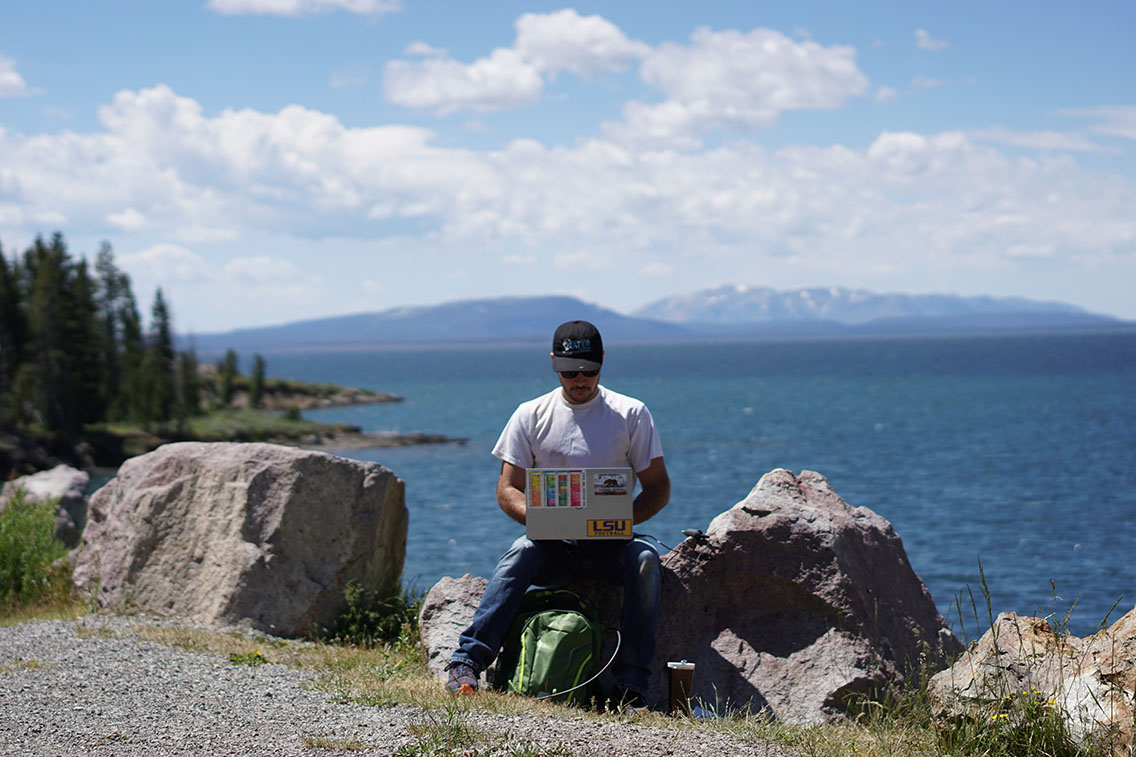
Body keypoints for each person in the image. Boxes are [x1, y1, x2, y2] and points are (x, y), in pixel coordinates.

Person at [445, 320, 671, 712]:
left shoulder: (631, 414)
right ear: (553, 364)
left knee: (646, 561)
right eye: (569, 371)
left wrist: (621, 521)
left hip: (610, 545)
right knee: (519, 552)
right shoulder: (530, 414)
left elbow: (658, 488)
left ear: (602, 362)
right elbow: (506, 490)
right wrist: (539, 519)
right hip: (551, 545)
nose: (580, 379)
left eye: (589, 370)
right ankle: (467, 662)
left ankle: (632, 685)